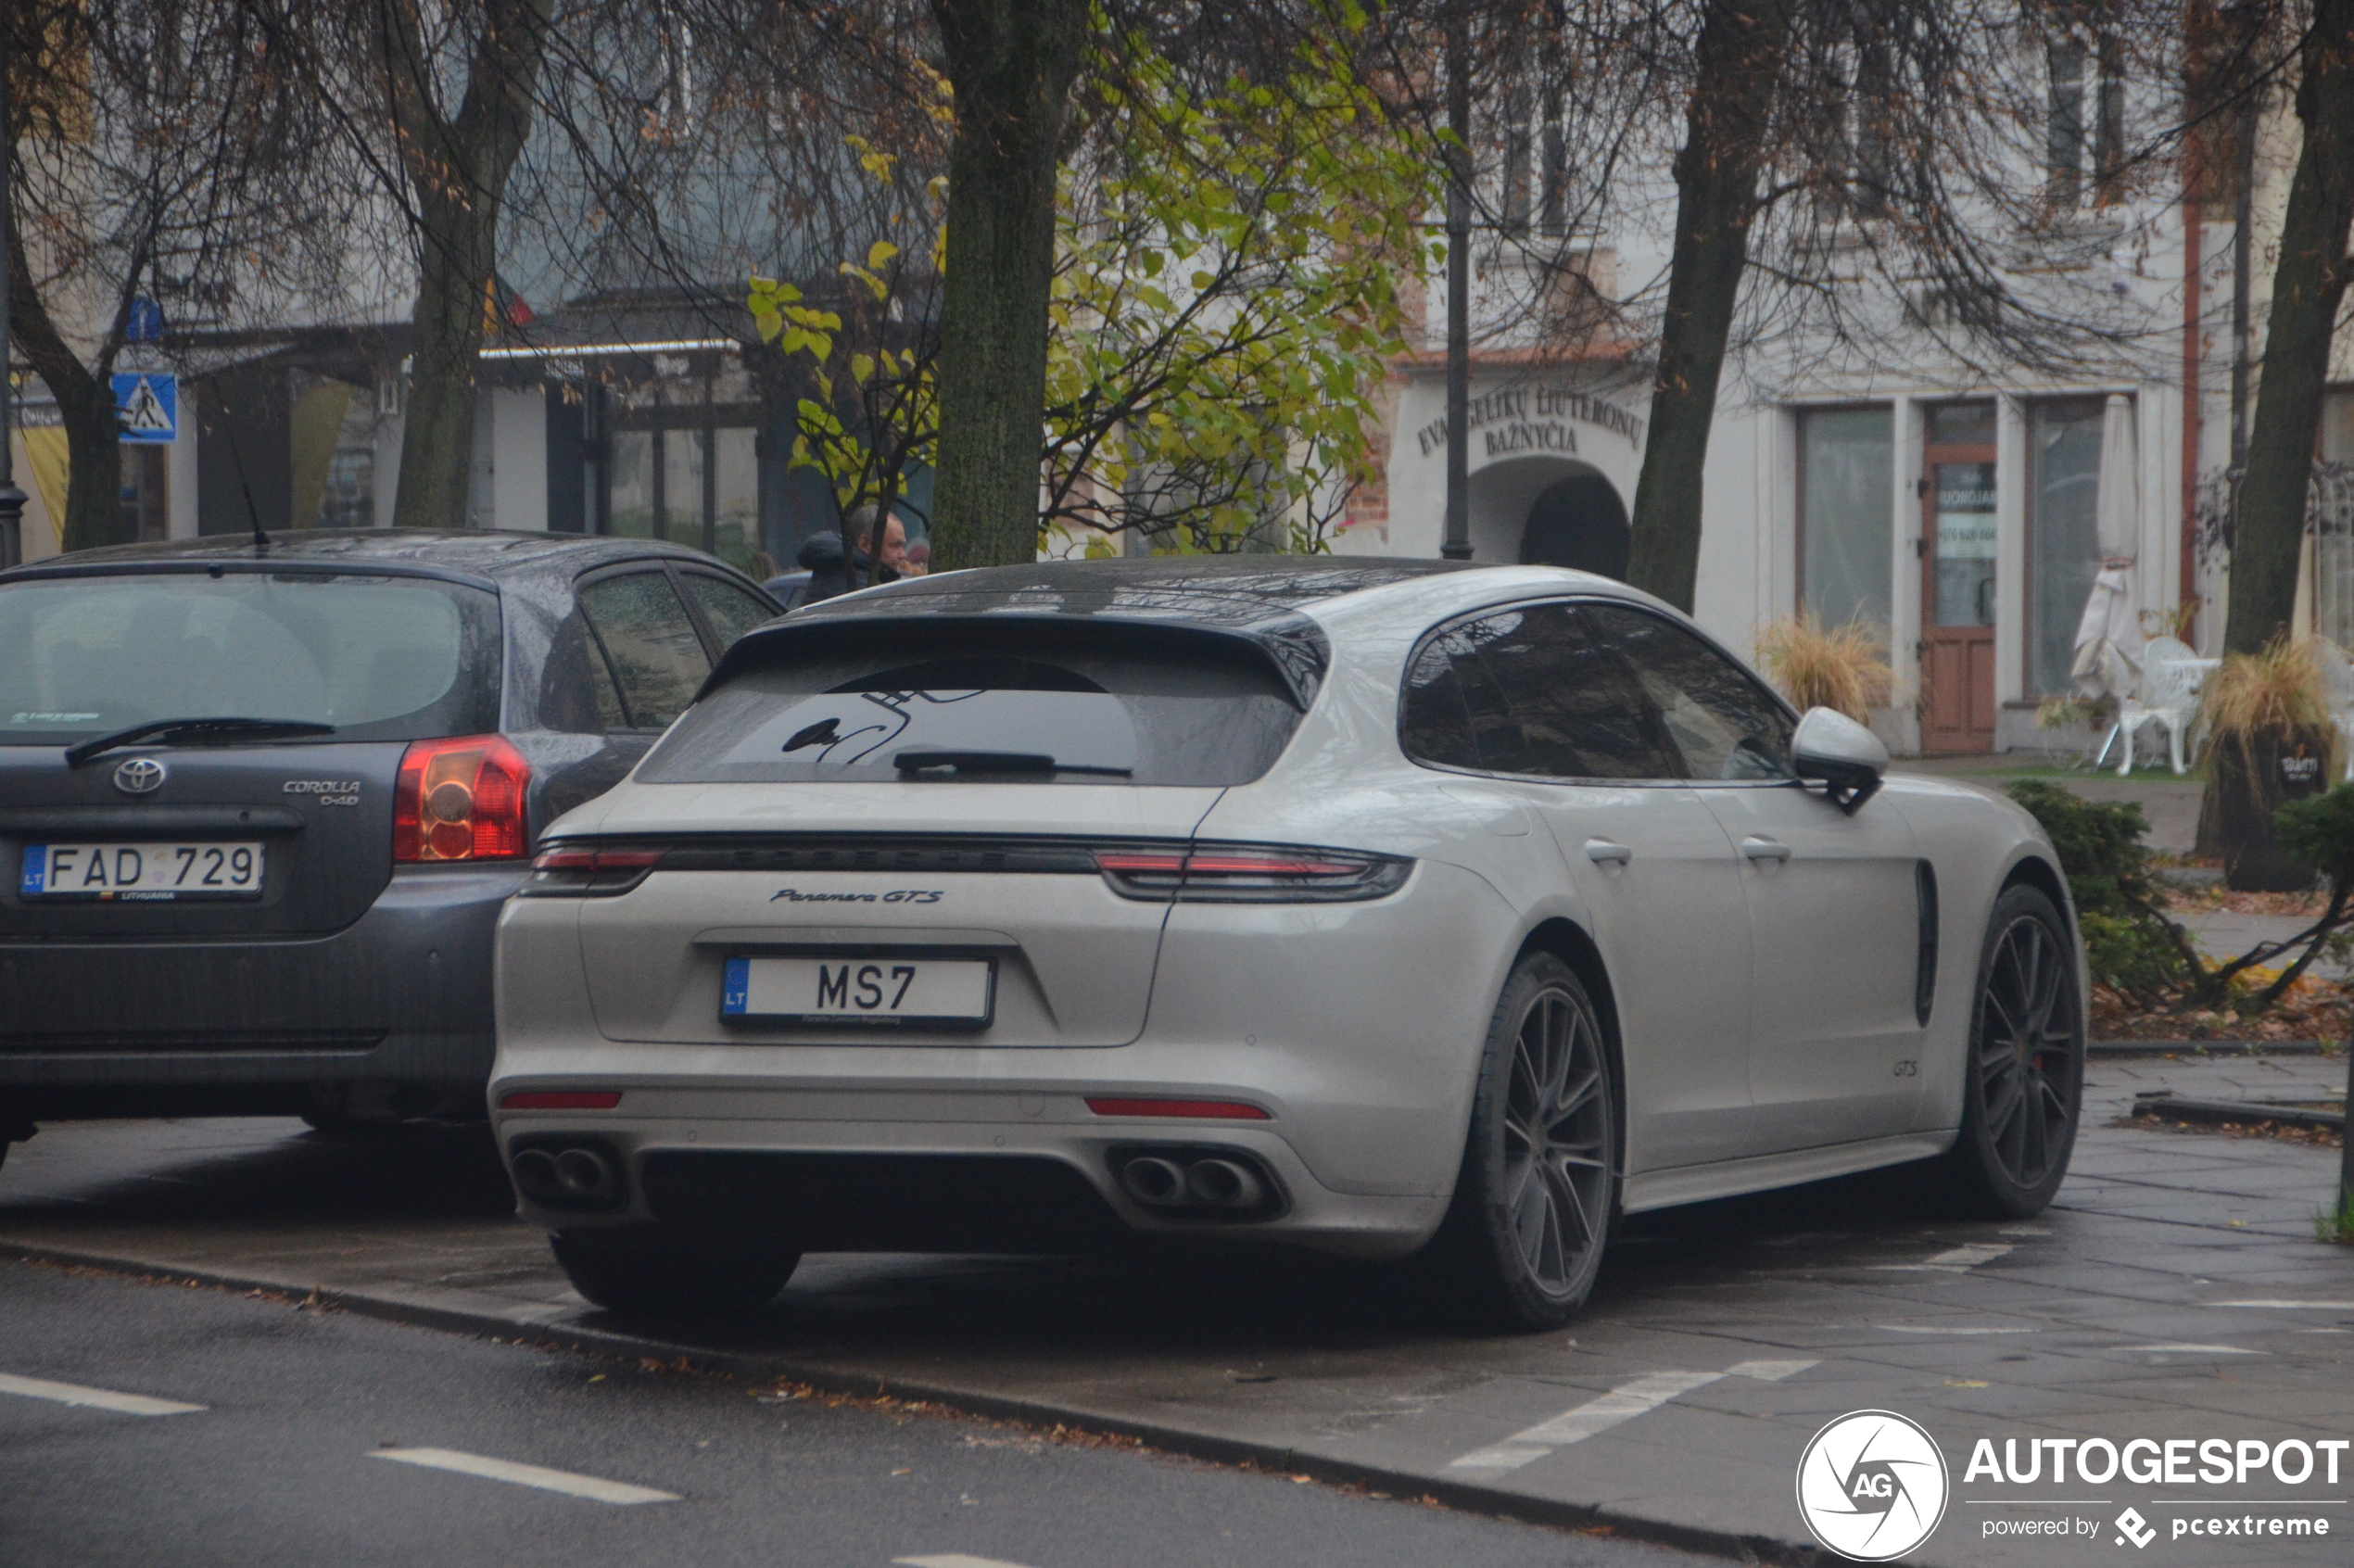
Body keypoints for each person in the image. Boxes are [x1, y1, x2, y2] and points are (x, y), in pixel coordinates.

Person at [791, 507, 905, 602]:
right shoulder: (860, 585)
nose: (902, 554)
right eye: (895, 545)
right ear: (865, 543)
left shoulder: (834, 569)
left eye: (902, 546)